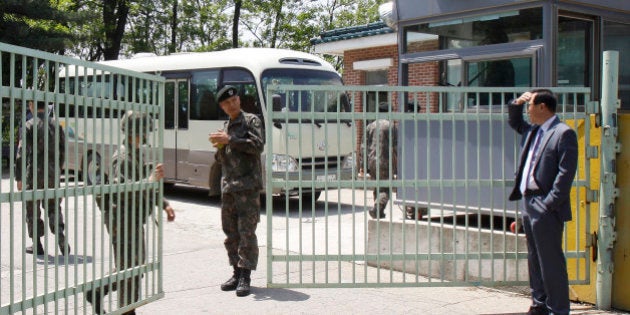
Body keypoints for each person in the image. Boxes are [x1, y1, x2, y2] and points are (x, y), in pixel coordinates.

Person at [86, 110, 175, 315]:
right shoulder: (124, 156)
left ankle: (97, 291)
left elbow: (143, 186)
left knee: (134, 267)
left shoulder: (135, 153)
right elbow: (123, 192)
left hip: (132, 218)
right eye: (145, 131)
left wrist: (163, 204)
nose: (147, 135)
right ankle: (127, 311)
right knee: (130, 270)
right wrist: (151, 179)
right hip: (122, 219)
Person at [508, 89, 578, 315]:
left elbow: (565, 173)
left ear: (542, 107)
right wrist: (518, 101)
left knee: (551, 261)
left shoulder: (563, 133)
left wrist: (549, 203)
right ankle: (539, 305)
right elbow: (514, 121)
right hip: (529, 202)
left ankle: (558, 309)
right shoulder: (532, 131)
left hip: (545, 205)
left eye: (530, 106)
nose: (527, 110)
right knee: (534, 259)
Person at [209, 85, 264, 297]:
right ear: (223, 107)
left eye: (234, 100)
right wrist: (219, 147)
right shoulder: (226, 126)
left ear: (238, 100)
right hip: (229, 186)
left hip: (247, 187)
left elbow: (257, 145)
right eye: (226, 103)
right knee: (230, 233)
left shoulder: (251, 121)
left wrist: (230, 140)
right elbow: (224, 158)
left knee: (246, 233)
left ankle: (246, 276)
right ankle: (236, 271)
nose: (231, 105)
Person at [16, 100, 69, 256]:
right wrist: (58, 170)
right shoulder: (56, 126)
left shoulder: (29, 125)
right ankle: (59, 233)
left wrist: (19, 177)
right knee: (53, 206)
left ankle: (37, 244)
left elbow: (21, 153)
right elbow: (63, 151)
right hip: (52, 174)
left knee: (32, 209)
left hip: (33, 174)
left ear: (32, 105)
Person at [359, 102, 398, 219]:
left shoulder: (370, 126)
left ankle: (379, 212)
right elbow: (396, 146)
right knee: (386, 188)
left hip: (372, 162)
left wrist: (362, 164)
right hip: (385, 161)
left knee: (377, 186)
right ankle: (377, 207)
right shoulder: (390, 126)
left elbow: (363, 147)